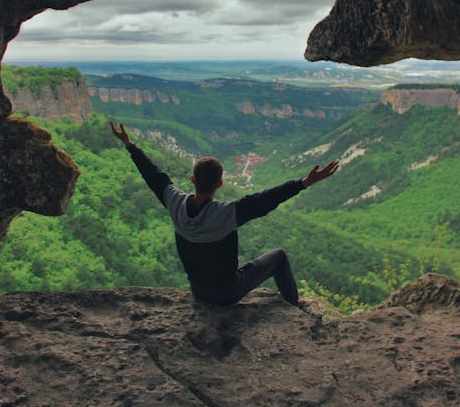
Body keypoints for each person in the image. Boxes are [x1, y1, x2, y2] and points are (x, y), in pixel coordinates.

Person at [110, 121, 339, 307]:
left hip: (198, 290)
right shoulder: (226, 214)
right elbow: (265, 200)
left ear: (192, 180)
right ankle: (294, 306)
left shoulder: (174, 203)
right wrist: (304, 182)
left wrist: (130, 145)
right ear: (220, 184)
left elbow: (154, 175)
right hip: (227, 293)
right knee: (278, 257)